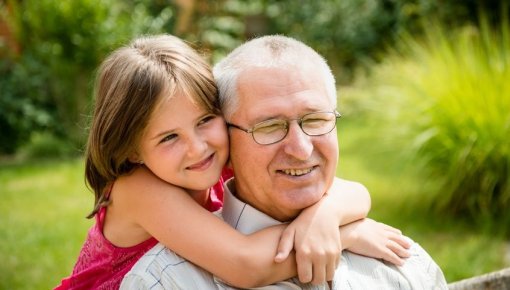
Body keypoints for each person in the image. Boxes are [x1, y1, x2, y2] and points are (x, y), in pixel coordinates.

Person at [55, 34, 409, 290]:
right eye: (168, 137)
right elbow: (245, 266)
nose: (197, 148)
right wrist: (345, 234)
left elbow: (354, 192)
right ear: (132, 150)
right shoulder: (138, 189)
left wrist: (325, 217)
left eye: (205, 121)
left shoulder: (213, 158)